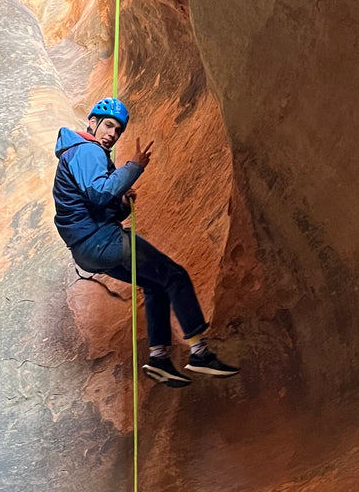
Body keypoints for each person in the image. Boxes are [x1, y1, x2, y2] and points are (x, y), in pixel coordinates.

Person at [53, 97, 239, 387]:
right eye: (108, 126)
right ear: (92, 122)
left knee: (155, 284)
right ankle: (200, 353)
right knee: (175, 276)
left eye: (118, 131)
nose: (112, 134)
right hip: (103, 243)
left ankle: (159, 358)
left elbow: (101, 205)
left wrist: (122, 202)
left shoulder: (77, 153)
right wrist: (134, 167)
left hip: (88, 251)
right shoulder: (87, 150)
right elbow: (100, 193)